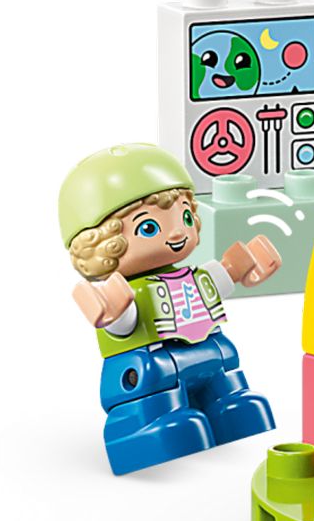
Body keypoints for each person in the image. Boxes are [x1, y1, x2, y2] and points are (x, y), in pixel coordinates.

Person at [58, 142, 280, 475]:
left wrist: (245, 265)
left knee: (232, 384)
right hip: (153, 365)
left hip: (210, 351)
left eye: (185, 216)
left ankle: (228, 405)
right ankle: (153, 426)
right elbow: (123, 324)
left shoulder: (193, 275)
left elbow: (223, 275)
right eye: (149, 227)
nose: (177, 232)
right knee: (164, 399)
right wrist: (114, 312)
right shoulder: (128, 291)